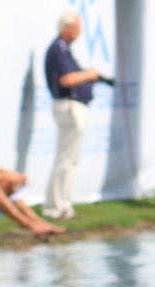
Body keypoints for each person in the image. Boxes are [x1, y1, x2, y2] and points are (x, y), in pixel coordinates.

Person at [43, 11, 102, 221]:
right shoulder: (59, 48)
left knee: (69, 159)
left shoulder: (64, 49)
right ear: (66, 28)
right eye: (76, 27)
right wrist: (89, 74)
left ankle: (59, 203)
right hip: (68, 107)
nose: (79, 32)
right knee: (67, 159)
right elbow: (66, 80)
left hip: (72, 106)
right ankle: (57, 206)